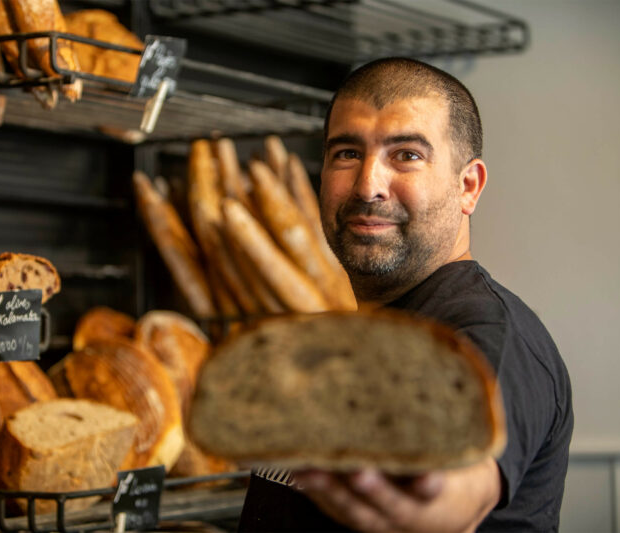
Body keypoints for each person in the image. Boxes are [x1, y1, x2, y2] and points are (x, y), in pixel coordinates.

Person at [237, 58, 574, 532]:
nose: (368, 184)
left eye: (407, 155)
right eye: (347, 153)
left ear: (468, 186)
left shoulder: (488, 332)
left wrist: (437, 502)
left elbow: (465, 479)